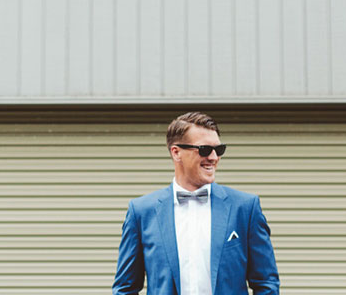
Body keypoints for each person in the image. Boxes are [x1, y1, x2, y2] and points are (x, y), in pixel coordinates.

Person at [112, 111, 280, 294]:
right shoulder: (141, 212)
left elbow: (266, 283)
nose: (214, 157)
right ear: (176, 152)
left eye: (219, 150)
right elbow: (125, 288)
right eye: (205, 150)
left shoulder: (245, 208)